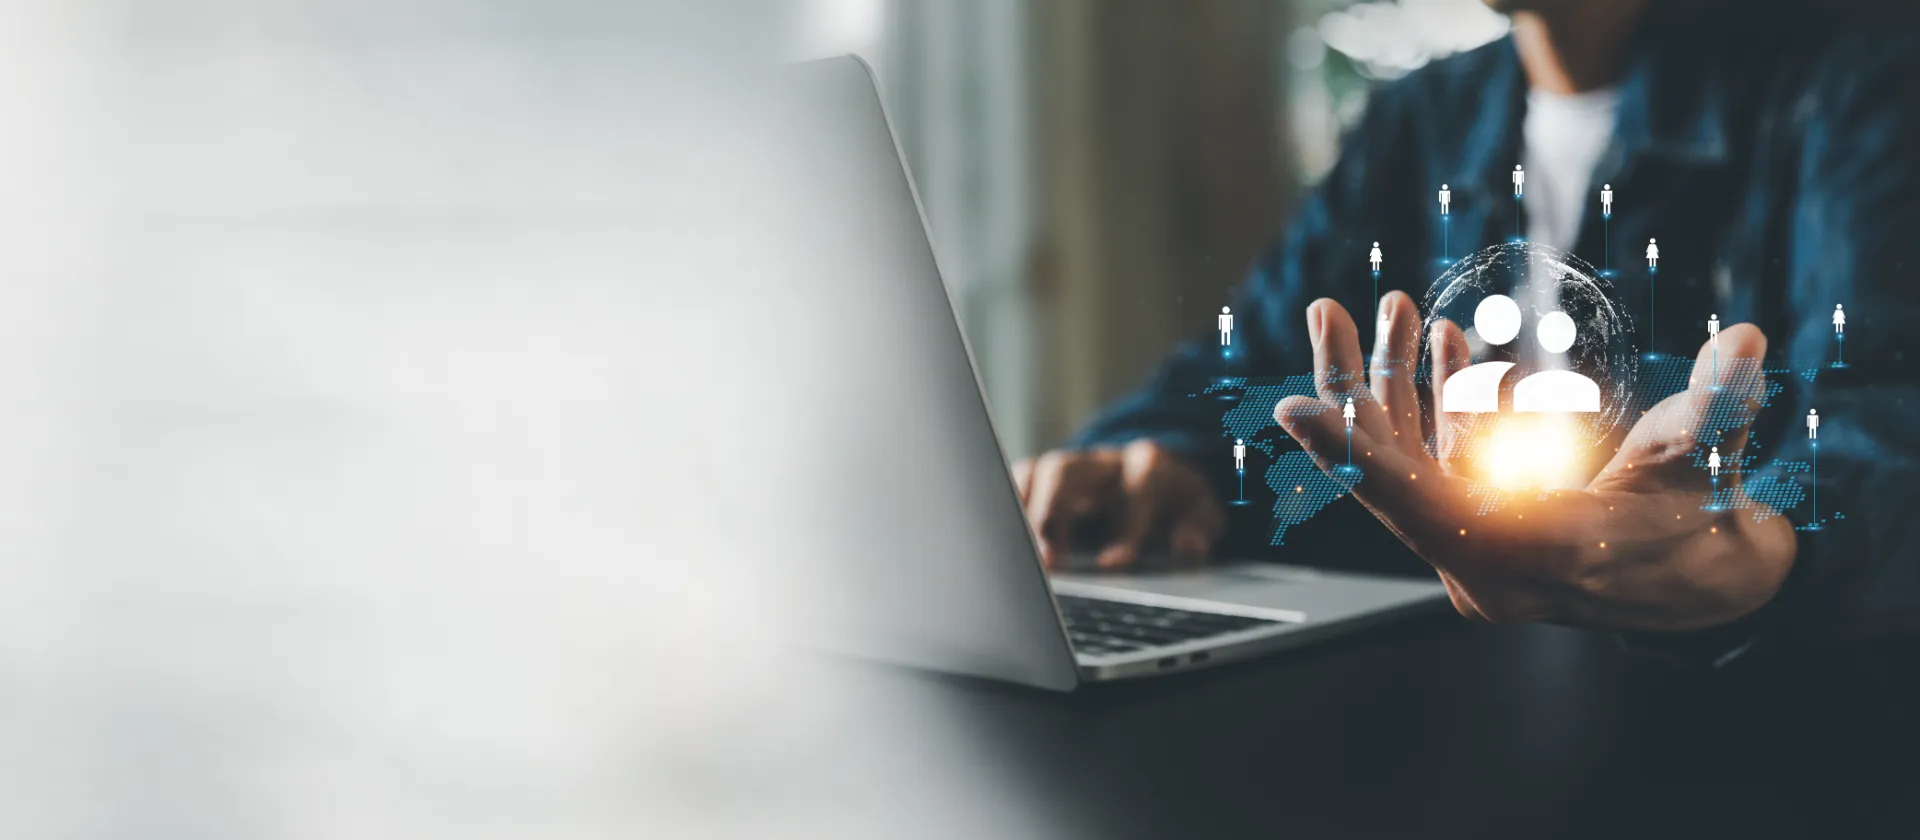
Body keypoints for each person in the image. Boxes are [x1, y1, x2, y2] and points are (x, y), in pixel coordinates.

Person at [1015, 0, 1920, 656]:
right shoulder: (1423, 117)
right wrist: (1157, 458)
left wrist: (1769, 545)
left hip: (1756, 739)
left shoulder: (1863, 77)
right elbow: (1251, 360)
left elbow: (1886, 411)